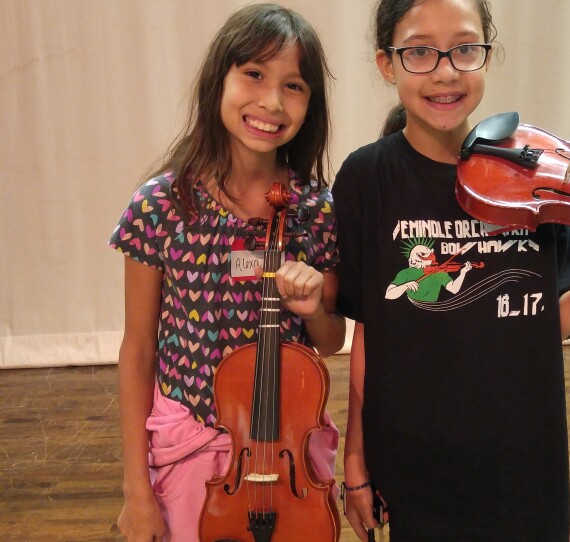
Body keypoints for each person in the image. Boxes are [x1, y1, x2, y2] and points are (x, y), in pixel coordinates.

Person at [330, 1, 570, 540]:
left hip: (525, 454)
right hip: (414, 456)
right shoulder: (366, 177)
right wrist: (355, 461)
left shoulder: (535, 171)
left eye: (465, 48)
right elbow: (368, 332)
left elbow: (548, 322)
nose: (445, 71)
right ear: (386, 64)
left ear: (487, 54)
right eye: (419, 52)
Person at [108, 4, 345, 541]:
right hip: (188, 442)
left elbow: (331, 340)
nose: (271, 102)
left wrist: (313, 311)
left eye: (293, 85)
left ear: (311, 103)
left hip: (284, 450)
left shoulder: (316, 209)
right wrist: (135, 490)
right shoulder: (161, 205)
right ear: (219, 79)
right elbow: (138, 348)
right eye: (254, 74)